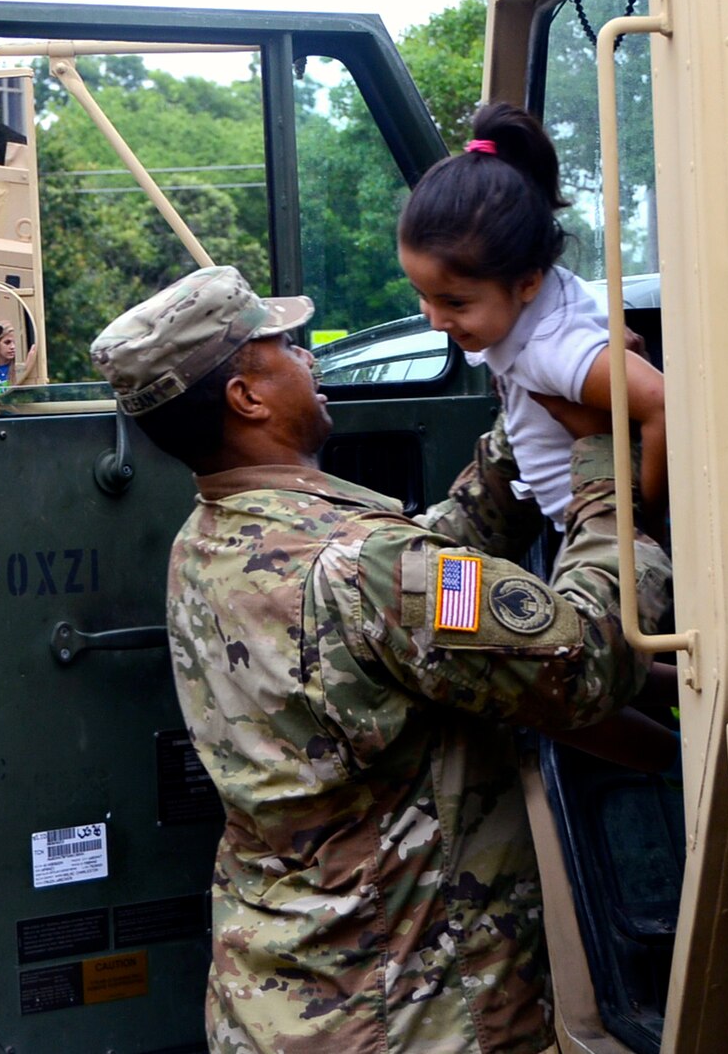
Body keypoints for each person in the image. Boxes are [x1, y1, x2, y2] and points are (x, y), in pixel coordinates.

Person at [89, 265, 671, 1054]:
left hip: (282, 1006)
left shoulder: (215, 540)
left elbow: (429, 576)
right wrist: (602, 456)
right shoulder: (363, 566)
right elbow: (588, 657)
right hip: (409, 1022)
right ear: (247, 398)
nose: (310, 359)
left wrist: (520, 424)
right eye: (286, 348)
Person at [398, 102, 667, 531]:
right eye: (423, 296)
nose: (435, 320)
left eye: (455, 304)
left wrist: (645, 524)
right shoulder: (522, 310)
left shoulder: (552, 348)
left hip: (596, 527)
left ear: (526, 283)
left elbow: (661, 404)